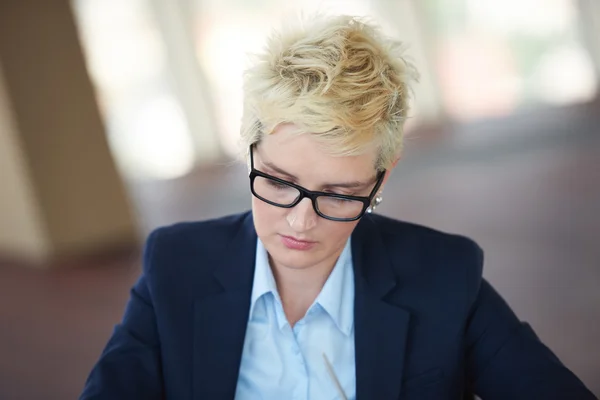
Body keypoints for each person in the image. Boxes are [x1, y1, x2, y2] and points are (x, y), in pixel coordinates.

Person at [80, 14, 596, 400]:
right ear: (250, 150)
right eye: (280, 183)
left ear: (380, 179)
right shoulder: (176, 266)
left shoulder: (444, 275)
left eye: (340, 194)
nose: (301, 221)